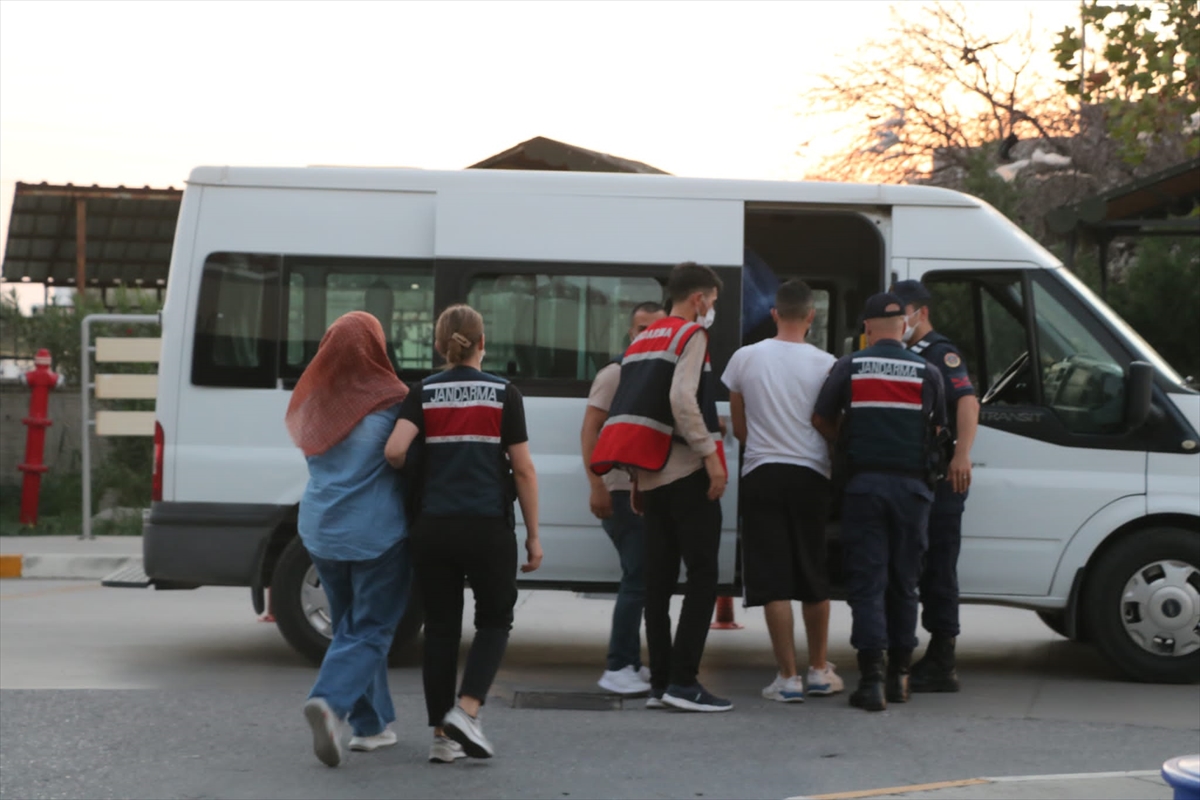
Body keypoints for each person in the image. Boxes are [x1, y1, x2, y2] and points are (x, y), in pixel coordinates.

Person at [384, 304, 543, 761]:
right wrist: (533, 535)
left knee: (439, 630)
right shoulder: (503, 393)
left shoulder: (423, 392)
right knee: (495, 620)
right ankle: (467, 711)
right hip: (487, 526)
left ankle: (440, 739)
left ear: (439, 345)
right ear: (482, 343)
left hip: (432, 526)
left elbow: (395, 451)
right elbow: (525, 470)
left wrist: (423, 464)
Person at [590, 262, 732, 713]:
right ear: (700, 298)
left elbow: (632, 410)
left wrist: (635, 478)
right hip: (686, 472)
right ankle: (685, 682)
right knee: (703, 576)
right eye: (712, 300)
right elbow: (680, 401)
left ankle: (661, 683)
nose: (712, 308)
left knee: (658, 583)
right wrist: (712, 458)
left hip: (648, 477)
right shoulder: (691, 336)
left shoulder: (642, 341)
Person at [284, 311, 413, 768]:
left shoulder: (316, 400)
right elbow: (407, 458)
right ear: (375, 347)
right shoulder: (393, 399)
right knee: (373, 630)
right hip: (376, 532)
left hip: (320, 528)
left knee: (349, 631)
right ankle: (328, 702)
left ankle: (370, 727)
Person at [812, 292, 946, 712]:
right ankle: (900, 678)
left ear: (867, 329)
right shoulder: (928, 371)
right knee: (904, 583)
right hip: (913, 491)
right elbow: (939, 429)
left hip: (864, 488)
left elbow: (820, 416)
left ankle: (870, 681)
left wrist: (847, 446)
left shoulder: (850, 366)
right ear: (903, 327)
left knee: (867, 584)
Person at [721, 280, 844, 703]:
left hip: (762, 474)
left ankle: (787, 678)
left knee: (773, 579)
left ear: (774, 314)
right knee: (812, 573)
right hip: (811, 476)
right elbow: (831, 424)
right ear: (812, 316)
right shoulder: (829, 364)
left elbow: (739, 428)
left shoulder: (744, 358)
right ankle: (819, 670)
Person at [891, 279, 979, 693]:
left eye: (901, 312)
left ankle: (943, 660)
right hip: (916, 476)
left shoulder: (940, 351)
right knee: (916, 566)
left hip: (942, 478)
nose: (898, 320)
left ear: (920, 313)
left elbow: (967, 399)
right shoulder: (907, 353)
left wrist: (962, 454)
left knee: (939, 568)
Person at [581, 301, 667, 696]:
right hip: (617, 491)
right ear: (630, 332)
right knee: (637, 579)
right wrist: (597, 484)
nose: (645, 334)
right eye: (640, 327)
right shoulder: (616, 374)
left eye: (654, 328)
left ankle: (631, 661)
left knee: (642, 577)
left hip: (638, 491)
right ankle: (618, 666)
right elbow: (590, 429)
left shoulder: (647, 373)